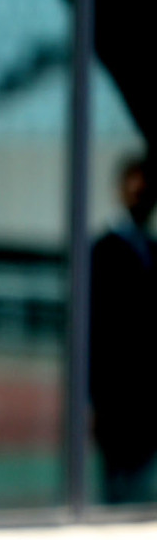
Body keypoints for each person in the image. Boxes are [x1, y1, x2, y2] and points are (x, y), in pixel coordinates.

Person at [89, 151, 157, 504]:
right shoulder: (103, 251)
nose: (141, 197)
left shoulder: (152, 250)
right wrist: (92, 398)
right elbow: (94, 330)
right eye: (135, 190)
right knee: (118, 490)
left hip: (148, 396)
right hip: (116, 396)